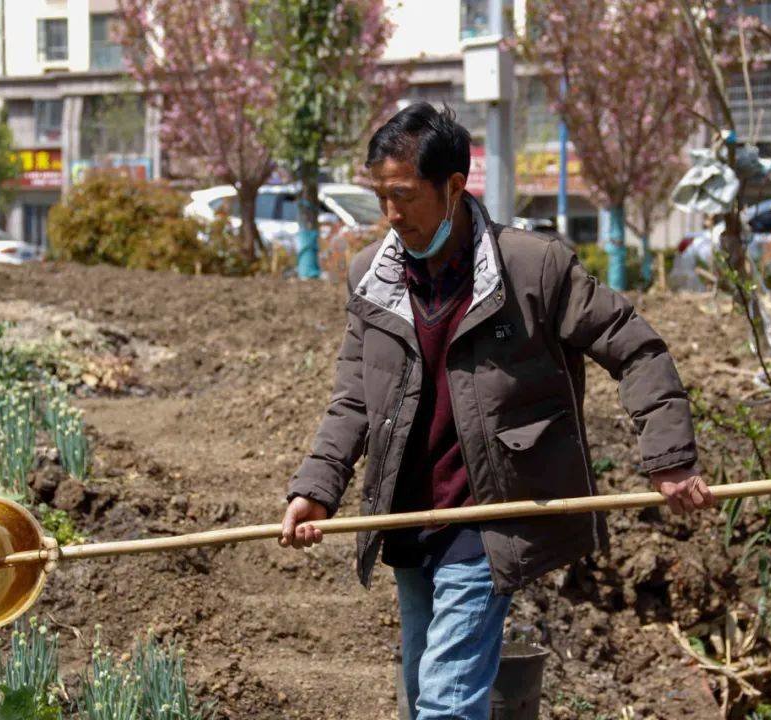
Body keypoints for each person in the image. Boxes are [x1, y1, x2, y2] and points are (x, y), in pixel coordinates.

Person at [280, 103, 715, 720]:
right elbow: (355, 396)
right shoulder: (371, 278)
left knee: (446, 703)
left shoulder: (532, 269)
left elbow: (635, 347)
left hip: (487, 515)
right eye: (381, 197)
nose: (391, 215)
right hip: (407, 514)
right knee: (422, 692)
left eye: (404, 196)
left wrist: (669, 457)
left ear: (454, 186)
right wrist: (317, 489)